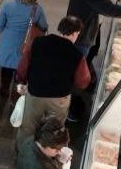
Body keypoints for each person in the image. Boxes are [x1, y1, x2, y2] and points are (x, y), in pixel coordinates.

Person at [15, 16, 90, 145]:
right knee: (54, 132)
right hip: (59, 99)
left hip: (35, 94)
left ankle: (22, 154)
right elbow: (82, 82)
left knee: (28, 128)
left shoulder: (38, 42)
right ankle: (46, 158)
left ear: (60, 28)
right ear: (76, 33)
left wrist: (21, 81)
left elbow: (23, 66)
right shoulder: (77, 55)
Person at [0, 0, 48, 102]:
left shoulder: (7, 6)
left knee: (6, 71)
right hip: (26, 49)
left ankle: (4, 90)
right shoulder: (37, 9)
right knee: (22, 74)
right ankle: (18, 97)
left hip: (8, 47)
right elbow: (44, 27)